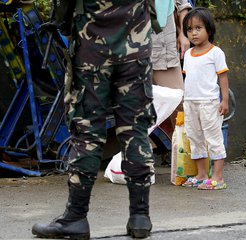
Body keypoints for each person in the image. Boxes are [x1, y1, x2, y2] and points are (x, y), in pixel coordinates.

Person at [31, 0, 157, 239]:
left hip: (92, 47)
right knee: (135, 130)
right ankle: (140, 216)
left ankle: (76, 217)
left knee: (88, 132)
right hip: (136, 46)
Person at [181, 7, 229, 190]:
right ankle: (201, 175)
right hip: (190, 102)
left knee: (213, 137)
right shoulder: (188, 55)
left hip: (209, 102)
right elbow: (189, 79)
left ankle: (218, 177)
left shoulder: (216, 53)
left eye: (198, 28)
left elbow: (223, 78)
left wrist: (224, 101)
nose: (193, 33)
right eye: (189, 29)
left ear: (209, 29)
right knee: (195, 137)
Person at [151, 0, 192, 132]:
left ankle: (189, 151)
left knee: (178, 103)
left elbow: (182, 3)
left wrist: (184, 33)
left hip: (162, 49)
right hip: (127, 53)